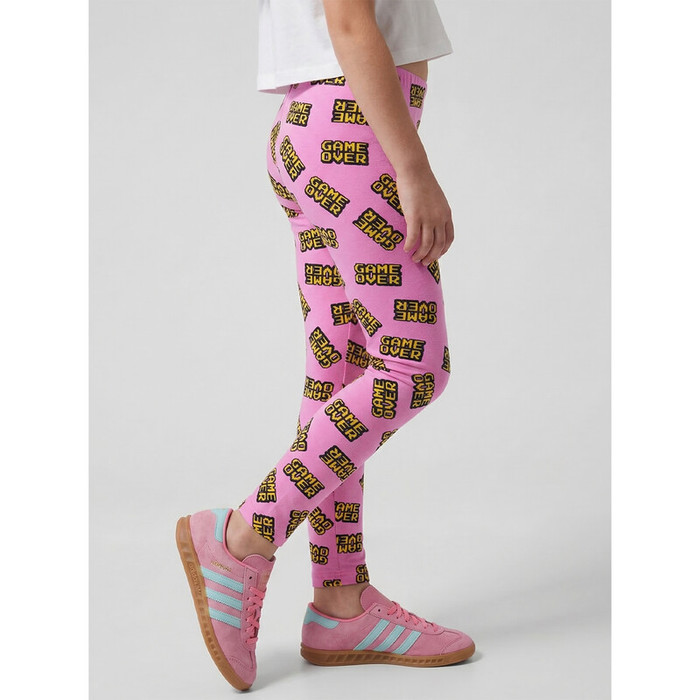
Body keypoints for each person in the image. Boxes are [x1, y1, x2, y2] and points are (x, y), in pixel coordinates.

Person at [175, 0, 475, 690]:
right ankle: (243, 536)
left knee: (339, 381)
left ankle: (341, 601)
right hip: (352, 128)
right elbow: (348, 21)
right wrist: (412, 168)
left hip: (317, 128)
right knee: (414, 367)